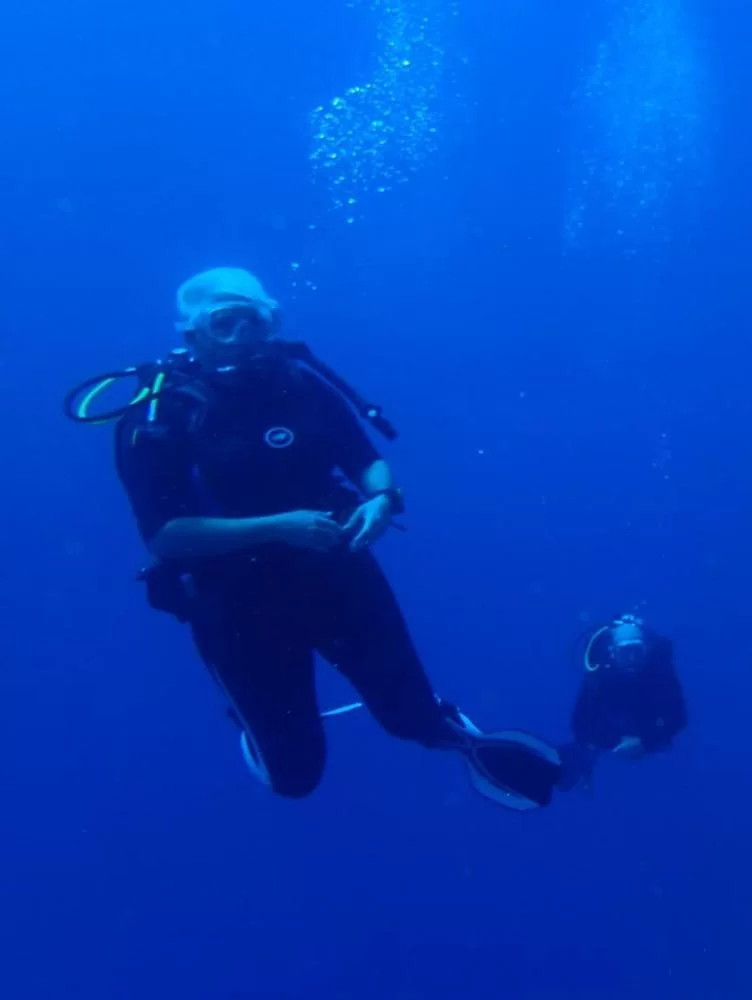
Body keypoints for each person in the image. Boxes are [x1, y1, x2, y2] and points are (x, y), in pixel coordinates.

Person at [98, 266, 562, 809]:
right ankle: (256, 720)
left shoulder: (300, 384)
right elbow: (166, 538)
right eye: (225, 324)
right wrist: (278, 526)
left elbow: (366, 459)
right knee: (295, 777)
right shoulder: (158, 417)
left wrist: (382, 501)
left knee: (413, 720)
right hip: (238, 605)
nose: (245, 336)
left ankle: (453, 733)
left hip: (338, 572)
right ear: (190, 334)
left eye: (256, 321)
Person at [557, 613, 687, 791]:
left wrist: (645, 743)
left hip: (648, 725)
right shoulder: (600, 674)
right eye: (625, 652)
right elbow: (580, 724)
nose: (632, 658)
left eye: (636, 650)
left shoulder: (659, 672)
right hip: (613, 729)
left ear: (646, 650)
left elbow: (679, 718)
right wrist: (614, 742)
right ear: (612, 652)